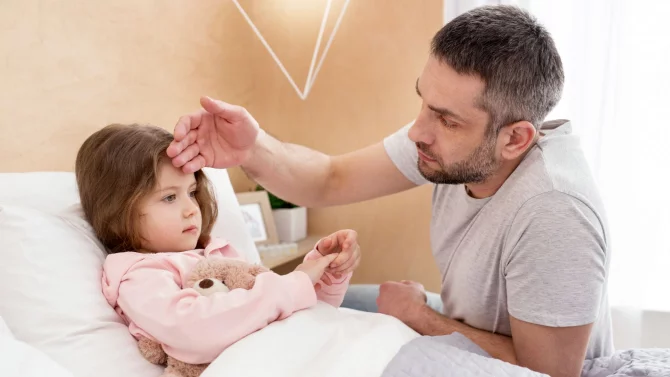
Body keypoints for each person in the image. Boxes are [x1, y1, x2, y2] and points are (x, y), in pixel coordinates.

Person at [167, 5, 613, 377]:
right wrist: (251, 147)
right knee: (311, 313)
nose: (418, 131)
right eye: (423, 102)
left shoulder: (555, 212)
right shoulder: (446, 141)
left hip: (520, 357)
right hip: (460, 319)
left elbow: (550, 372)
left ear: (515, 138)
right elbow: (329, 178)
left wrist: (420, 316)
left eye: (447, 120)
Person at [75, 123, 359, 366]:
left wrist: (323, 276)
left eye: (192, 192)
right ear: (117, 214)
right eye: (169, 198)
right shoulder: (140, 274)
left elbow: (289, 310)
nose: (191, 209)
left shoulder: (218, 253)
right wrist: (295, 284)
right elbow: (193, 330)